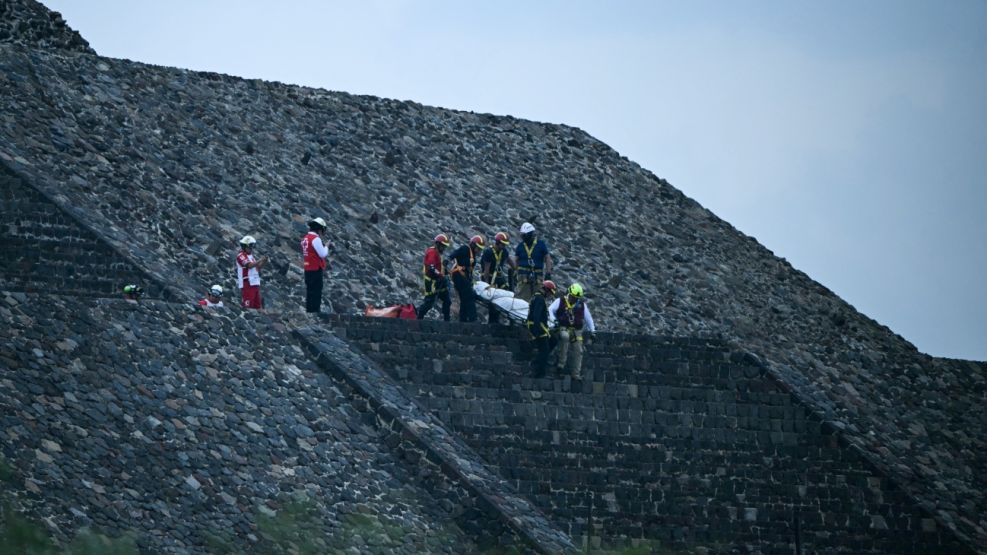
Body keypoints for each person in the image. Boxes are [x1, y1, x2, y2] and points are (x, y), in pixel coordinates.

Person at [548, 282, 596, 380]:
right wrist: (554, 321)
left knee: (579, 350)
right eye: (573, 296)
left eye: (576, 298)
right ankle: (561, 364)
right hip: (563, 327)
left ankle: (576, 374)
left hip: (576, 330)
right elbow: (550, 310)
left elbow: (588, 319)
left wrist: (593, 331)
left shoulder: (582, 305)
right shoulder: (560, 301)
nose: (574, 299)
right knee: (565, 337)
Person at [480, 231, 518, 324]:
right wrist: (487, 285)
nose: (504, 246)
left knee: (506, 295)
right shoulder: (488, 252)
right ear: (498, 242)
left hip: (499, 278)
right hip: (489, 277)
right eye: (503, 244)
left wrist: (516, 270)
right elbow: (486, 270)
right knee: (492, 299)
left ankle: (501, 318)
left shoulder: (504, 251)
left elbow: (511, 263)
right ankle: (492, 321)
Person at [447, 234, 485, 322]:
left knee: (464, 299)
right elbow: (454, 254)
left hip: (464, 277)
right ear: (473, 245)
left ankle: (463, 320)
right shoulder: (465, 249)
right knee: (470, 297)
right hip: (459, 276)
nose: (479, 250)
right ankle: (473, 319)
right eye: (478, 248)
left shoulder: (473, 254)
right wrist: (447, 260)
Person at [417, 233, 452, 321]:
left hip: (440, 280)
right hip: (432, 282)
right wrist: (441, 275)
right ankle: (418, 318)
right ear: (438, 244)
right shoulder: (432, 252)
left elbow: (438, 266)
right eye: (443, 246)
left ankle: (447, 320)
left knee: (447, 300)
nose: (444, 248)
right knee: (429, 302)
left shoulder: (438, 252)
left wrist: (446, 272)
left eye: (445, 246)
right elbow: (431, 267)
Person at [525, 280, 557, 377]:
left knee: (553, 341)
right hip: (539, 328)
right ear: (546, 290)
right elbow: (536, 316)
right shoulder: (539, 299)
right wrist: (538, 330)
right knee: (545, 350)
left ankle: (537, 362)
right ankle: (539, 373)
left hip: (539, 327)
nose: (550, 295)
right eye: (550, 293)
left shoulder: (537, 296)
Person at [514, 222, 552, 302]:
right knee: (521, 299)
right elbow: (516, 260)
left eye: (524, 235)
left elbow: (547, 258)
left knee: (537, 298)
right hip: (523, 277)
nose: (523, 237)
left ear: (529, 234)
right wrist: (515, 272)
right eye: (522, 235)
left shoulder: (540, 244)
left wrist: (548, 273)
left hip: (537, 278)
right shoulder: (520, 246)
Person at [300, 217, 330, 313]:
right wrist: (326, 246)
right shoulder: (315, 239)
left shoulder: (305, 238)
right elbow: (323, 254)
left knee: (310, 291)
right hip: (316, 268)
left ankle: (309, 310)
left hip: (307, 268)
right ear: (319, 229)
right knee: (316, 291)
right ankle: (315, 311)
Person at [236, 235, 268, 310]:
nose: (251, 249)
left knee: (256, 305)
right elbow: (249, 265)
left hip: (254, 282)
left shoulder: (251, 257)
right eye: (250, 247)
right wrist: (260, 260)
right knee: (248, 305)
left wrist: (264, 261)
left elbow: (257, 268)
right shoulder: (241, 256)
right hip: (247, 282)